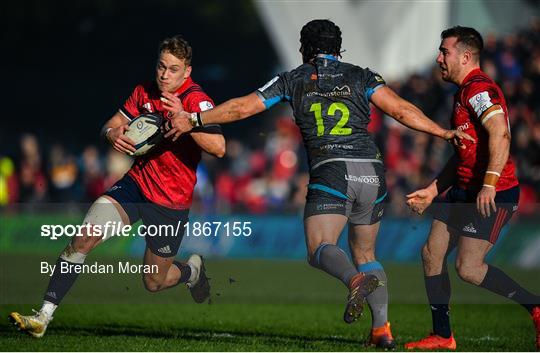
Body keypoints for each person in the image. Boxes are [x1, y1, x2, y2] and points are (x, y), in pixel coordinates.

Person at [166, 19, 473, 349]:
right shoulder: (362, 75)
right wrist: (442, 132)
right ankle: (382, 331)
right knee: (366, 252)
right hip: (372, 170)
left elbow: (243, 107)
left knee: (319, 247)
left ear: (304, 49)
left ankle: (355, 280)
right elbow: (399, 110)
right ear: (339, 49)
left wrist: (194, 119)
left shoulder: (292, 79)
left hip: (332, 170)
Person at [9, 35, 225, 338]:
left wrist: (185, 119)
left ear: (187, 72)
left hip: (170, 203)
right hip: (135, 186)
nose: (164, 75)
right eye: (161, 66)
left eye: (173, 69)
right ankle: (43, 316)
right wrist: (111, 135)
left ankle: (191, 271)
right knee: (83, 238)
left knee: (153, 282)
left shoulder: (195, 100)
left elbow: (219, 147)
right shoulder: (143, 92)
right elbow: (109, 126)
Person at [404, 26, 540, 351]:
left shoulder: (479, 89)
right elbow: (462, 155)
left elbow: (501, 134)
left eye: (444, 51)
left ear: (465, 56)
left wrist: (489, 184)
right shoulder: (462, 92)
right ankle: (442, 335)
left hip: (493, 193)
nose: (438, 58)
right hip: (463, 190)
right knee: (431, 253)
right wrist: (432, 190)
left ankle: (535, 306)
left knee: (468, 268)